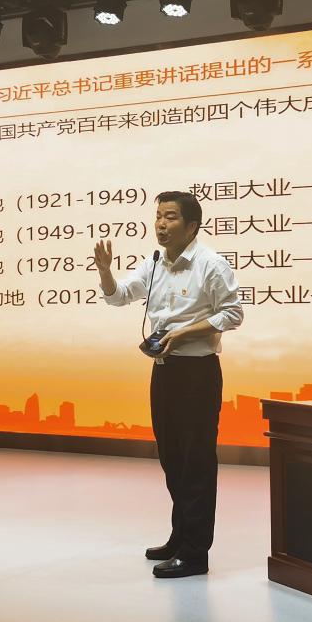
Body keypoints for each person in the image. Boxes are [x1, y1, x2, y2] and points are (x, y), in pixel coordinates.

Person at [94, 191, 243, 578]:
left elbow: (233, 314)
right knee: (172, 458)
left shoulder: (211, 264)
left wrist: (184, 333)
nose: (161, 224)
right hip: (164, 370)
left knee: (196, 462)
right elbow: (119, 297)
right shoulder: (155, 262)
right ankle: (181, 536)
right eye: (158, 216)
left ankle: (195, 554)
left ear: (192, 226)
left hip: (197, 373)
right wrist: (105, 271)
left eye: (170, 217)